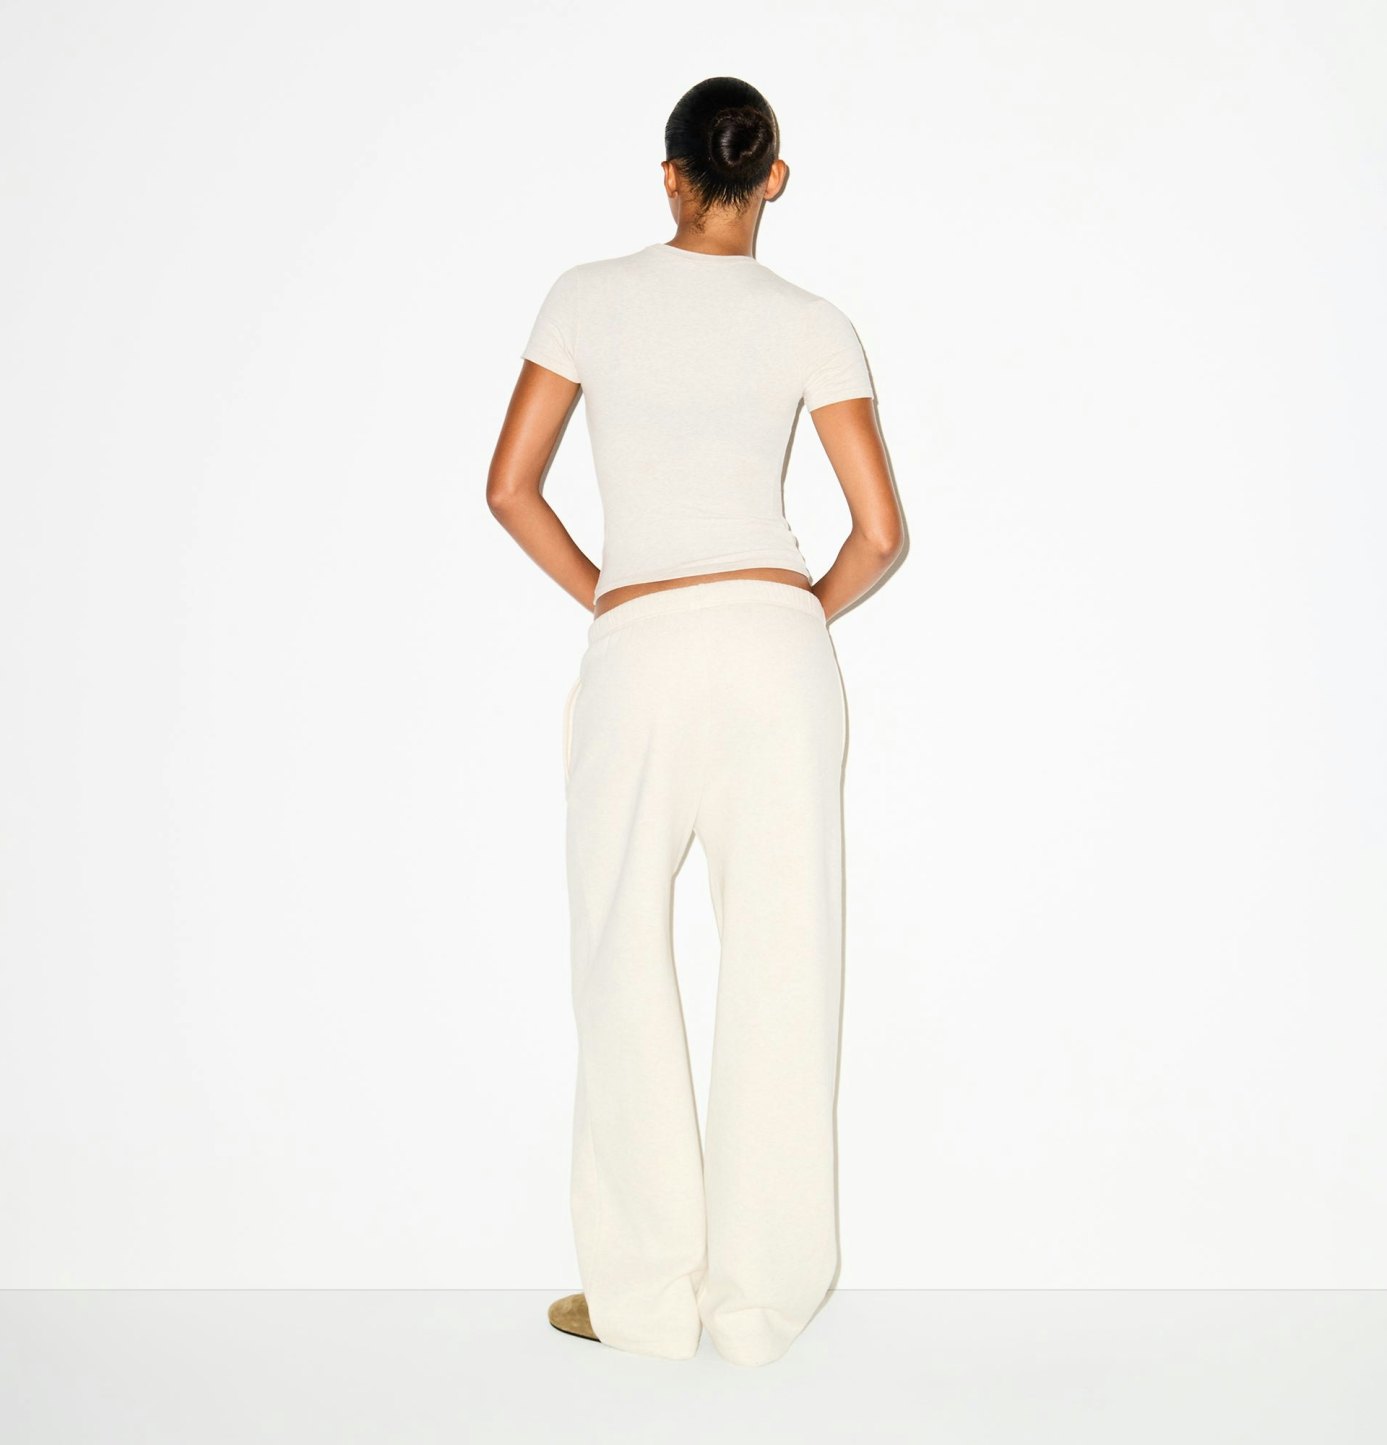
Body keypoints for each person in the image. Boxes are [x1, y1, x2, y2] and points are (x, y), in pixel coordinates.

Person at [487, 75, 903, 1367]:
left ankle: (643, 1301)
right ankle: (759, 1306)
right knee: (786, 959)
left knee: (619, 951)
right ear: (771, 175)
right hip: (777, 653)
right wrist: (794, 615)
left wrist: (614, 596)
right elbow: (879, 533)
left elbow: (509, 488)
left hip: (643, 648)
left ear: (670, 176)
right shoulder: (812, 323)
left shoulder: (586, 297)